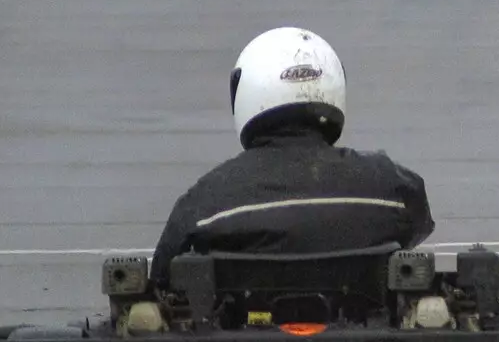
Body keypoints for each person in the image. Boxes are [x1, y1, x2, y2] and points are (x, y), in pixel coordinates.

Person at [149, 26, 435, 286]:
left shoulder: (206, 200)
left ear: (244, 92)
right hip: (365, 333)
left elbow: (161, 279)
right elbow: (418, 227)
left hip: (243, 334)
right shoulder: (388, 184)